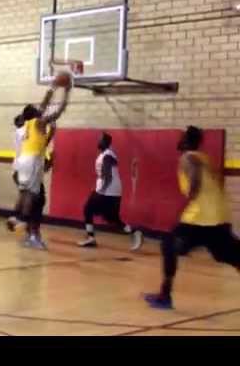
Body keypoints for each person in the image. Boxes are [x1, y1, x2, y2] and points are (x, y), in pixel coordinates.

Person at [143, 126, 240, 310]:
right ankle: (164, 294)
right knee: (225, 254)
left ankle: (165, 296)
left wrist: (193, 191)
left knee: (168, 245)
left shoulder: (188, 157)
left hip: (200, 216)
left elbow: (194, 173)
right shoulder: (204, 158)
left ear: (186, 140)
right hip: (219, 214)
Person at [8, 76, 71, 250]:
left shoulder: (26, 126)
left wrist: (52, 88)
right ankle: (23, 224)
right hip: (32, 161)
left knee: (25, 192)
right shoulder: (38, 122)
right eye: (37, 110)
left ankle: (15, 217)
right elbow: (56, 112)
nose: (40, 110)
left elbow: (41, 142)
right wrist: (65, 92)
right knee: (34, 195)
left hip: (23, 163)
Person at [77, 132, 144, 251]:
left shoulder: (107, 155)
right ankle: (135, 232)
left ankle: (91, 238)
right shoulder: (107, 154)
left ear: (105, 142)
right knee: (112, 218)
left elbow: (108, 176)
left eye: (100, 139)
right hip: (113, 190)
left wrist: (101, 190)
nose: (98, 141)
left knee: (88, 209)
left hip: (107, 190)